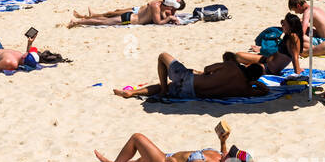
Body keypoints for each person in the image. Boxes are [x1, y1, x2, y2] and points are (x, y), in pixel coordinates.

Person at [94, 122, 244, 162]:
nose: (226, 153)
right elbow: (224, 153)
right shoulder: (221, 158)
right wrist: (223, 141)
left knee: (137, 138)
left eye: (229, 155)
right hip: (167, 158)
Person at [114, 51, 267, 100]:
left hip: (189, 80)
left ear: (247, 66)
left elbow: (208, 68)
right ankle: (137, 92)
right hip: (190, 94)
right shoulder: (245, 89)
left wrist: (207, 73)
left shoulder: (231, 66)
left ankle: (143, 92)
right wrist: (255, 83)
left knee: (162, 56)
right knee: (169, 86)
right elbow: (265, 91)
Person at [67, 0, 185, 27]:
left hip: (131, 15)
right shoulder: (156, 7)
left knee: (103, 18)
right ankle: (78, 22)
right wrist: (169, 18)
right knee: (103, 22)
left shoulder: (156, 3)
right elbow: (158, 22)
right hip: (130, 20)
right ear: (168, 6)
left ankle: (82, 19)